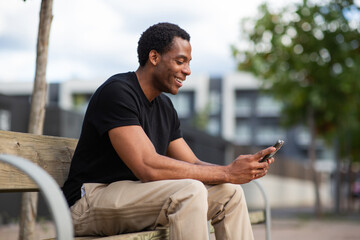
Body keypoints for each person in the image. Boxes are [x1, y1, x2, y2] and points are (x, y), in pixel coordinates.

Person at [62, 22, 276, 240]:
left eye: (188, 63)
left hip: (133, 197)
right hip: (87, 203)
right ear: (154, 58)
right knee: (190, 191)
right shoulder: (118, 92)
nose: (187, 71)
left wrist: (236, 170)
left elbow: (193, 164)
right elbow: (147, 165)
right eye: (180, 61)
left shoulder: (164, 107)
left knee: (230, 194)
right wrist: (227, 173)